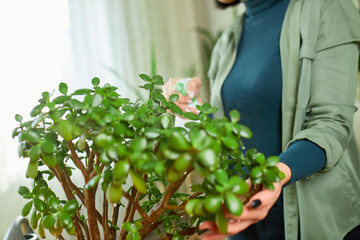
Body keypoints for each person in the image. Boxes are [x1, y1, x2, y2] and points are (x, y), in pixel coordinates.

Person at [163, 0, 360, 239]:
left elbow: (331, 123)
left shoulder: (327, 8)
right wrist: (187, 104)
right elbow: (232, 131)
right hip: (246, 222)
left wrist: (271, 178)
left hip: (315, 221)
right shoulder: (228, 39)